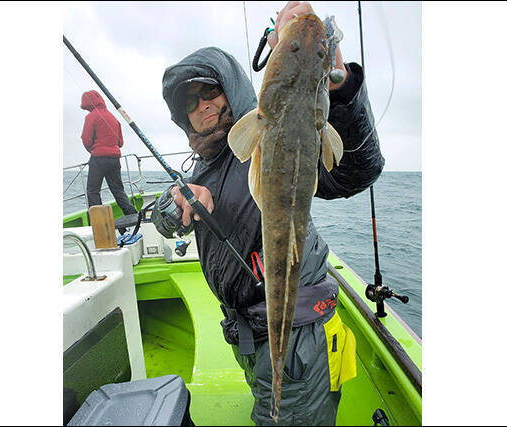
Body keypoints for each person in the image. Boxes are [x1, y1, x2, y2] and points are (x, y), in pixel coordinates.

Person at [154, 2, 384, 425]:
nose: (203, 105)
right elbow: (165, 220)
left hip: (298, 343)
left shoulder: (272, 134)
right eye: (190, 100)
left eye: (210, 91)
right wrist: (174, 203)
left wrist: (342, 91)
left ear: (232, 86)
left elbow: (358, 170)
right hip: (249, 338)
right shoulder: (203, 167)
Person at [80, 89, 137, 219]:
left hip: (98, 159)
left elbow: (86, 139)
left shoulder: (91, 116)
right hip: (115, 159)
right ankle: (133, 216)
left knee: (93, 191)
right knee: (118, 190)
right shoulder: (113, 118)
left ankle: (99, 221)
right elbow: (120, 142)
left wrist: (93, 150)